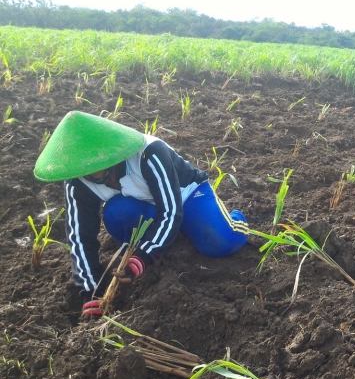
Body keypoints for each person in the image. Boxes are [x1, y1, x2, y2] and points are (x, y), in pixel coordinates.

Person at [34, 111, 249, 318]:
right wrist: (91, 291)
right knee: (118, 213)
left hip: (186, 195)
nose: (90, 174)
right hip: (142, 206)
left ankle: (234, 220)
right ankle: (165, 239)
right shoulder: (77, 180)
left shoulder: (149, 153)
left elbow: (171, 210)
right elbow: (80, 237)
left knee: (219, 242)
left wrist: (144, 257)